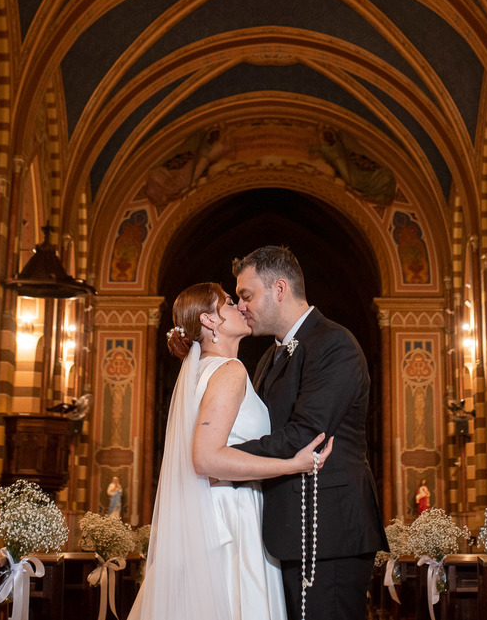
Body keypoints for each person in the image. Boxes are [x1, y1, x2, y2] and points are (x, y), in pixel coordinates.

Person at [129, 283, 333, 620]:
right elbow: (206, 458)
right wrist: (292, 464)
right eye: (228, 302)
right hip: (230, 514)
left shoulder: (200, 373)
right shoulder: (229, 371)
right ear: (210, 321)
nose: (240, 305)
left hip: (211, 511)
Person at [232, 245, 388, 620]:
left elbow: (306, 434)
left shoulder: (335, 344)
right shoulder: (271, 356)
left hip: (329, 531)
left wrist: (225, 460)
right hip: (289, 530)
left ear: (279, 289)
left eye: (246, 295)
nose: (240, 306)